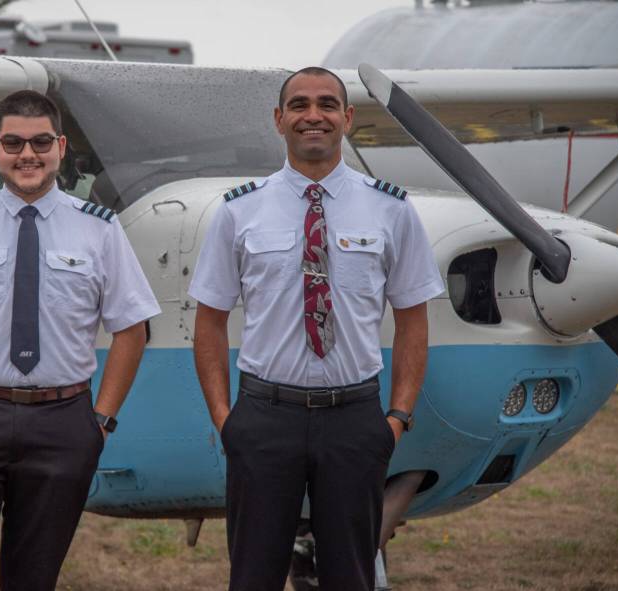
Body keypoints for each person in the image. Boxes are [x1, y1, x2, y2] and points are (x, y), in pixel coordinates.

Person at [189, 67, 444, 590]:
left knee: (351, 574)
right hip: (264, 417)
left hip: (354, 419)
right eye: (299, 105)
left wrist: (395, 417)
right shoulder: (238, 212)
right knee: (253, 575)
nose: (313, 116)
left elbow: (413, 316)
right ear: (279, 120)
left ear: (347, 119)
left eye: (327, 104)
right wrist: (225, 419)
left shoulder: (391, 210)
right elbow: (209, 319)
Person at [0, 90, 160, 591]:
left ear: (60, 147)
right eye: (13, 143)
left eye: (41, 142)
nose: (28, 155)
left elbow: (132, 328)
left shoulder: (99, 230)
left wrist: (99, 422)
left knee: (34, 578)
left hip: (62, 424)